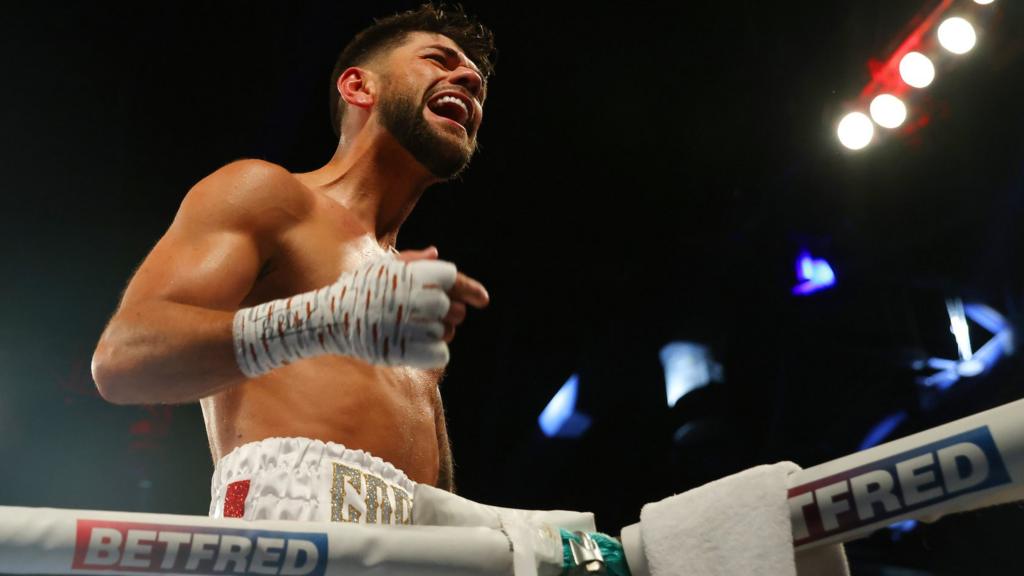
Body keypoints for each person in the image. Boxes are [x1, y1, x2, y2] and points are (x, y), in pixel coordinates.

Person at [91, 4, 496, 524]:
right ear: (358, 88)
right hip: (283, 528)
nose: (468, 78)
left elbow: (438, 504)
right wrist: (324, 321)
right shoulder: (267, 195)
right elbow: (124, 360)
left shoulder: (408, 299)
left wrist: (519, 536)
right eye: (438, 60)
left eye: (477, 82)